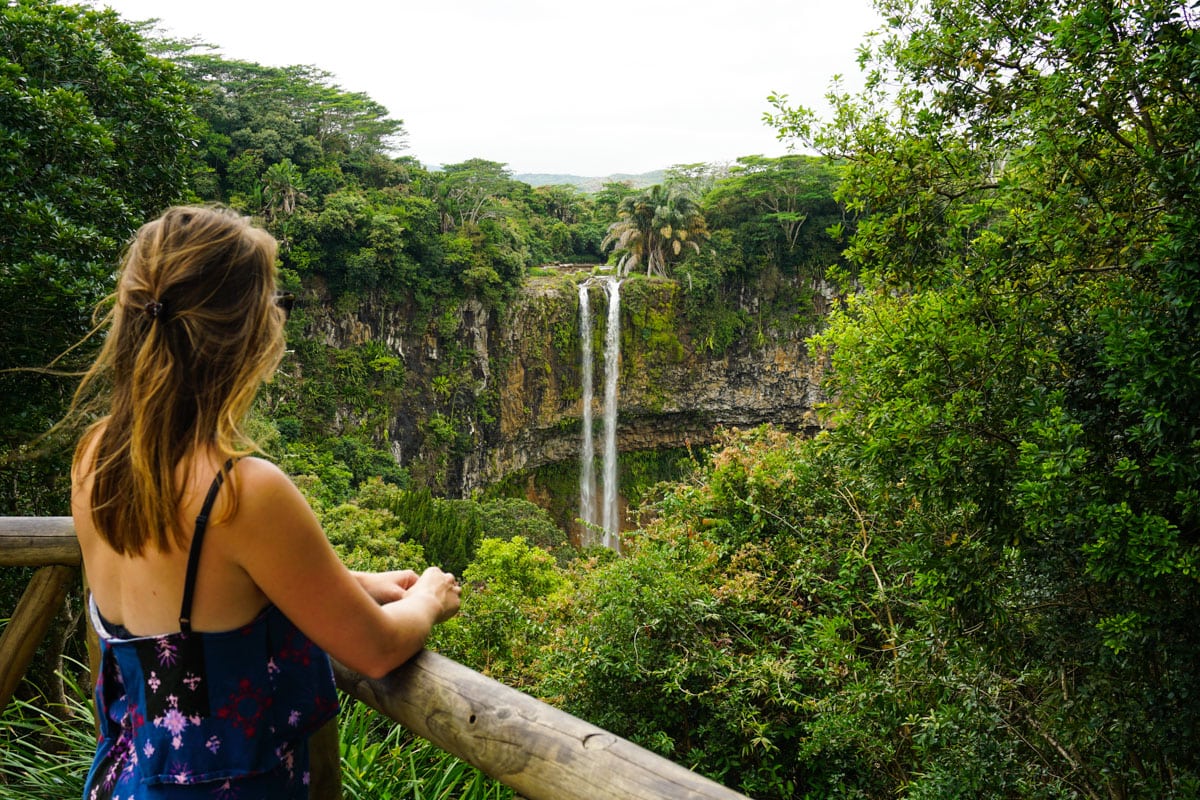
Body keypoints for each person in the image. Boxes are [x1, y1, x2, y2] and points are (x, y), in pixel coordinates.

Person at [68, 205, 461, 799]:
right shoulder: (241, 491)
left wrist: (350, 582)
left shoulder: (96, 456)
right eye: (276, 304)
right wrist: (428, 600)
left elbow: (193, 594)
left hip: (129, 777)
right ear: (248, 330)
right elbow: (376, 650)